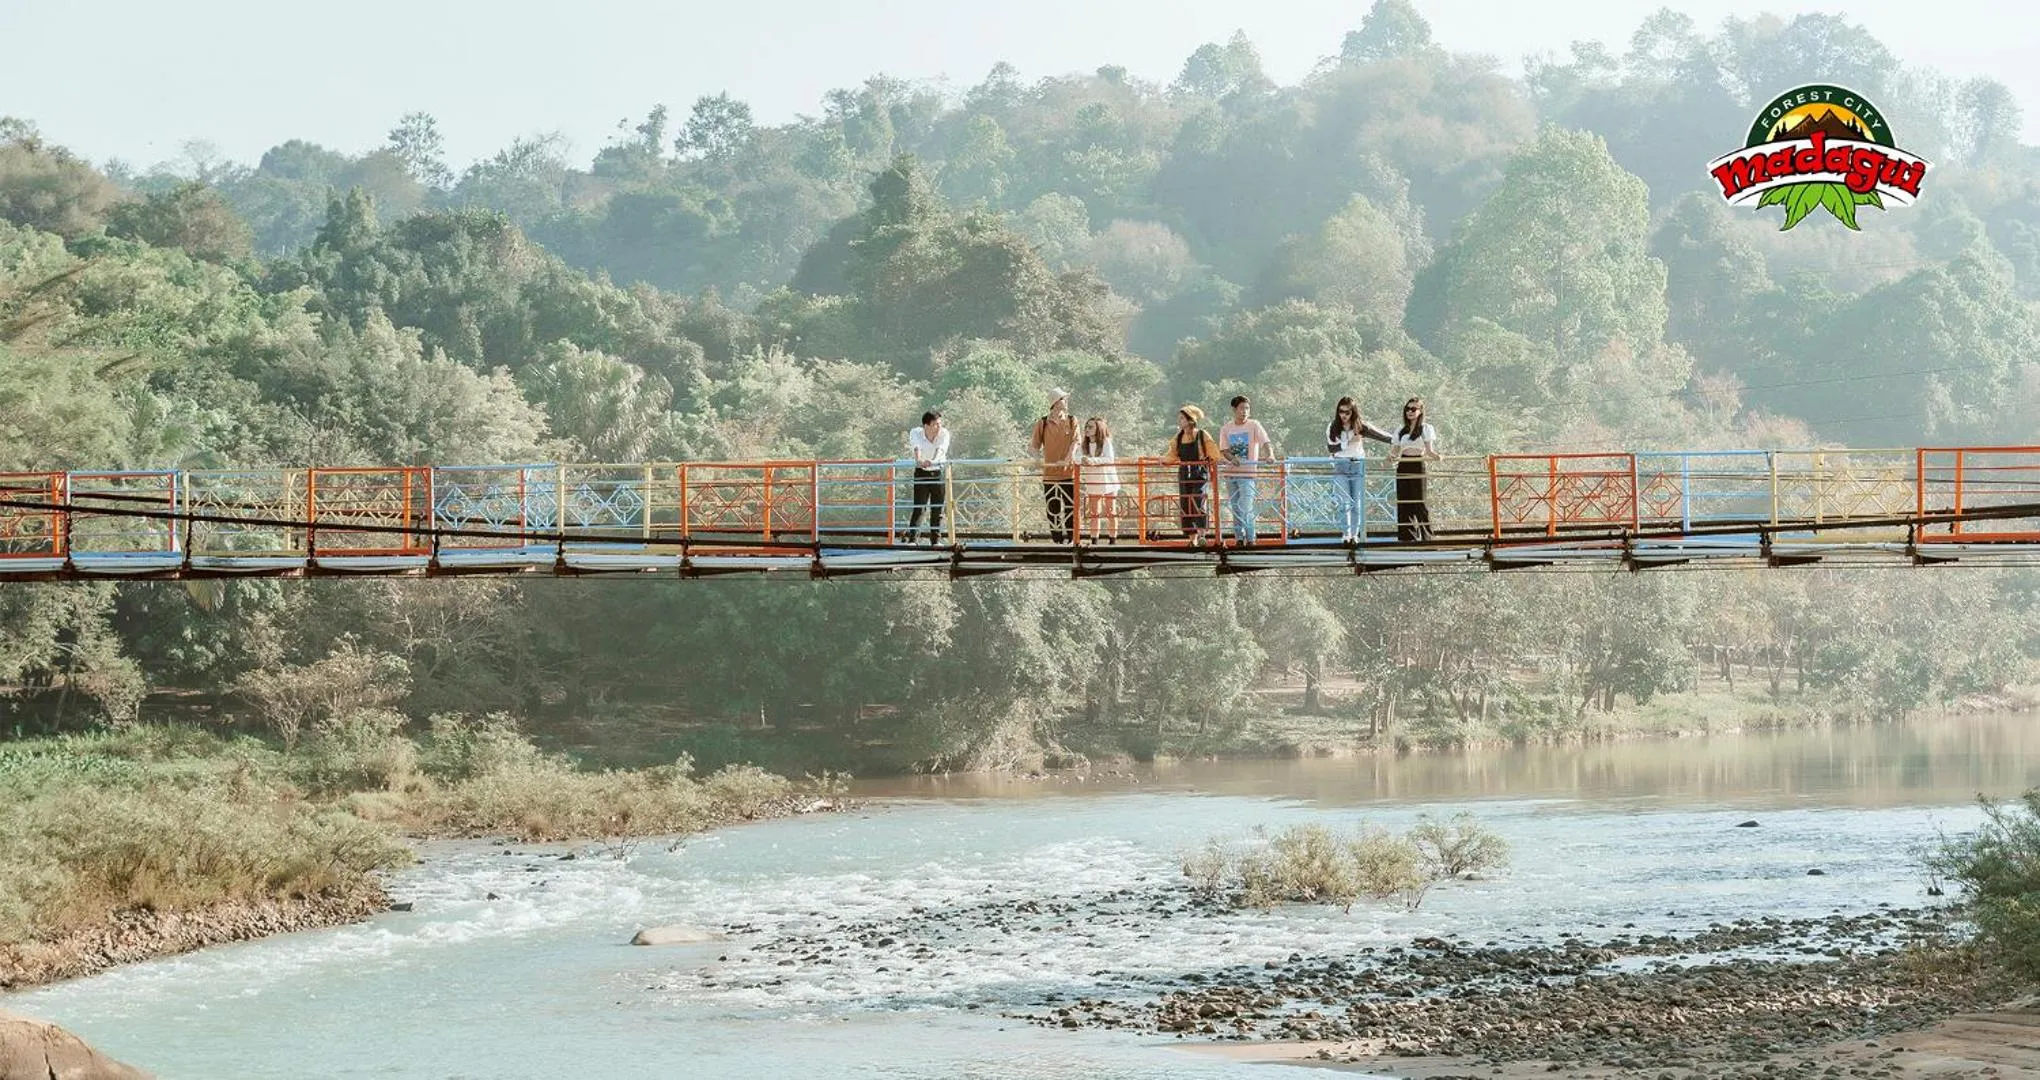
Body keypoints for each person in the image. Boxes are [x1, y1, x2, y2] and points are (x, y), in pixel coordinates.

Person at [1326, 396, 1393, 543]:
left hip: (1357, 465)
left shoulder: (1360, 426)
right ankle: (1346, 534)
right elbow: (1331, 447)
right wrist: (1349, 441)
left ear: (1353, 412)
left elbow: (1382, 436)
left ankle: (1354, 535)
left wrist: (1400, 440)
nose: (1344, 415)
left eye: (1347, 412)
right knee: (1344, 502)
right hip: (1341, 465)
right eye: (1341, 411)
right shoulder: (1333, 427)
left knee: (1356, 502)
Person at [1216, 395, 1274, 546]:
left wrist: (1270, 455)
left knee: (1246, 506)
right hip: (1231, 474)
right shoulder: (1226, 428)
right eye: (1242, 408)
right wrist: (1232, 458)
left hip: (1248, 474)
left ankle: (1251, 538)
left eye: (1247, 408)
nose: (1245, 412)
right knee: (1235, 507)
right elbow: (1225, 450)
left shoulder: (1254, 425)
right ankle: (1239, 538)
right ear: (1235, 410)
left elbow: (1265, 442)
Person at [1162, 405, 1220, 546]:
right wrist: (1164, 461)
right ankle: (1192, 539)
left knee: (1198, 499)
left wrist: (1213, 461)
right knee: (1185, 502)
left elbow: (1213, 452)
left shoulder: (1201, 434)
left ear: (1190, 420)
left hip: (1199, 471)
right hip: (1184, 472)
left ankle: (1202, 534)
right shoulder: (1179, 436)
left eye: (1182, 418)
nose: (1180, 421)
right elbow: (1172, 454)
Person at [1028, 388, 1080, 544]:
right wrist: (1037, 460)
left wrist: (1068, 458)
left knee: (1071, 507)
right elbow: (1033, 446)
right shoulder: (1043, 423)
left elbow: (1075, 441)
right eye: (1064, 399)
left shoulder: (1071, 420)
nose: (1066, 402)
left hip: (1068, 472)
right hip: (1050, 473)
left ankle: (1071, 539)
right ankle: (1057, 540)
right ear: (1056, 402)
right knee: (1053, 508)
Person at [1391, 397, 1441, 542]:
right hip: (1403, 464)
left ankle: (1427, 536)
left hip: (1418, 464)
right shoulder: (1401, 430)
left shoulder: (1425, 428)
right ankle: (1407, 537)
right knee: (1404, 501)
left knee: (1419, 501)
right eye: (1407, 409)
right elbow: (1395, 451)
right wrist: (1391, 457)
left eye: (1413, 409)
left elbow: (1429, 450)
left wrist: (1437, 456)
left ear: (1420, 411)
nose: (1410, 412)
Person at [905, 410, 950, 545]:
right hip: (921, 472)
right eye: (936, 424)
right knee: (919, 507)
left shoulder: (944, 433)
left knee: (937, 507)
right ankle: (913, 540)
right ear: (926, 425)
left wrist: (933, 461)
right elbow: (916, 448)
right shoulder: (915, 432)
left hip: (937, 472)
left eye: (940, 424)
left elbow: (941, 450)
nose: (939, 427)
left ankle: (935, 540)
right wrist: (919, 460)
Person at [1079, 416, 1120, 545]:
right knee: (1094, 512)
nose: (1087, 429)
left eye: (1090, 427)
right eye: (1086, 426)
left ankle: (1112, 540)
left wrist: (1093, 460)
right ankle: (1094, 540)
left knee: (1110, 511)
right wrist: (1083, 460)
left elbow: (1109, 459)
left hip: (1108, 480)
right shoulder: (1084, 444)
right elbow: (1077, 457)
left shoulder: (1105, 442)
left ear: (1098, 429)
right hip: (1093, 480)